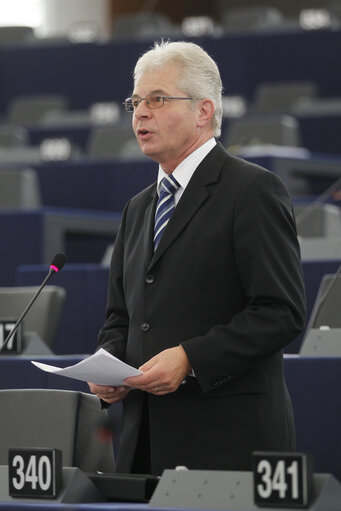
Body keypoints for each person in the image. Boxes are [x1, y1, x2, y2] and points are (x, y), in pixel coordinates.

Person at [88, 40, 306, 476]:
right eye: (136, 101)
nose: (140, 113)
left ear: (203, 111)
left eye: (157, 99)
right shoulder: (138, 208)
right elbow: (122, 318)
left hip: (228, 442)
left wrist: (190, 358)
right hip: (143, 445)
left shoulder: (251, 191)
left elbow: (280, 312)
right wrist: (108, 364)